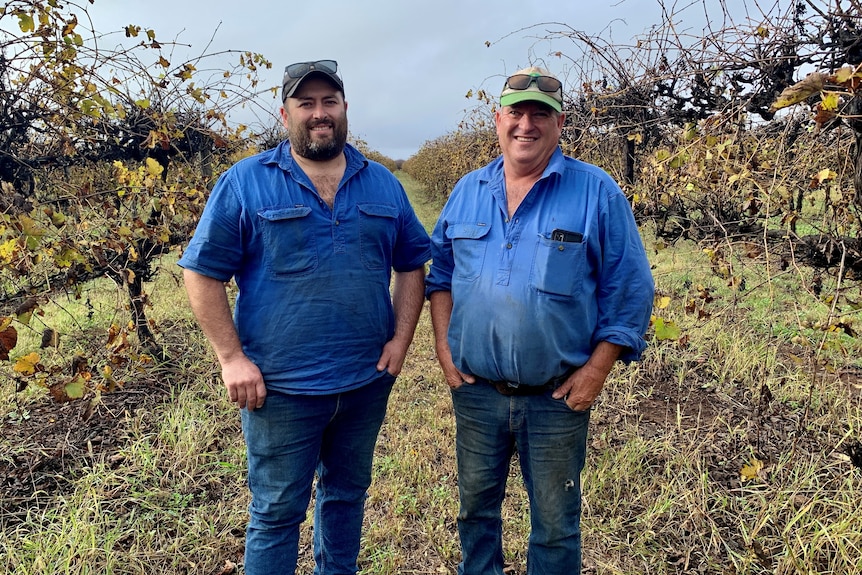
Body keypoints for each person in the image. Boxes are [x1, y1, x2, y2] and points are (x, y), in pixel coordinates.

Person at [178, 59, 431, 575]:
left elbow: (412, 264)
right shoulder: (245, 182)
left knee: (345, 496)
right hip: (280, 389)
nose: (320, 113)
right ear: (285, 112)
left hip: (365, 382)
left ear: (344, 109)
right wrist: (231, 359)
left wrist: (401, 339)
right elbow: (202, 273)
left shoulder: (383, 184)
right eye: (306, 103)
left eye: (329, 102)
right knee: (275, 513)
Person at [425, 66, 654, 574]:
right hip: (478, 393)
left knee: (554, 525)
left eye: (540, 114)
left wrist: (595, 371)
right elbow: (439, 274)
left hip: (555, 399)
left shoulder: (596, 192)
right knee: (475, 511)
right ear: (497, 119)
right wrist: (444, 349)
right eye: (516, 112)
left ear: (560, 123)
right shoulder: (467, 190)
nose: (525, 124)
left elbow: (631, 288)